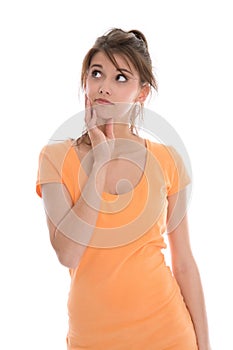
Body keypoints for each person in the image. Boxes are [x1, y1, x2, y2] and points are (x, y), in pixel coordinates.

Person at [36, 28, 211, 349]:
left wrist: (206, 344)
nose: (104, 87)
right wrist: (100, 162)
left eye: (120, 78)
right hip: (92, 336)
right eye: (97, 73)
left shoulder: (168, 160)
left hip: (167, 331)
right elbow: (68, 253)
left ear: (142, 93)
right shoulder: (56, 157)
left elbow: (184, 262)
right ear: (85, 82)